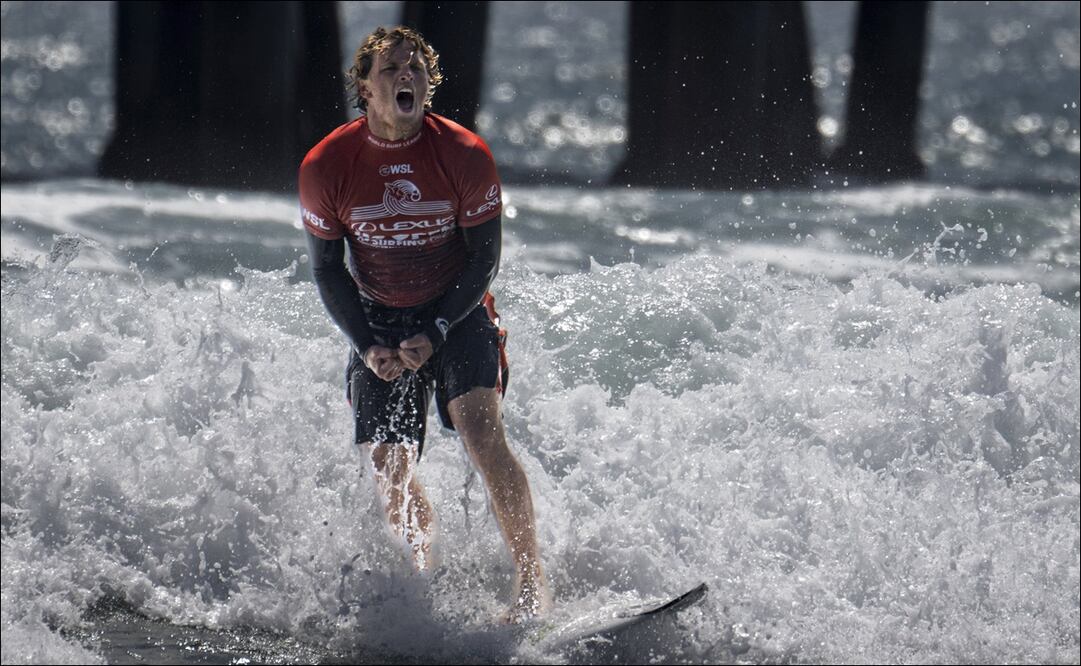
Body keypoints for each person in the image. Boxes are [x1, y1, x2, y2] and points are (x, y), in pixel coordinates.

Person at [298, 26, 550, 622]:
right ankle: (422, 581)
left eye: (414, 68)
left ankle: (531, 579)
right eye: (390, 70)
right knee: (389, 460)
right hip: (378, 315)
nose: (404, 76)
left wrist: (437, 326)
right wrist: (366, 343)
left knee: (480, 431)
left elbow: (484, 260)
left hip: (457, 309)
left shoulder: (463, 154)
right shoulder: (328, 164)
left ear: (428, 83)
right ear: (366, 86)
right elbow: (328, 271)